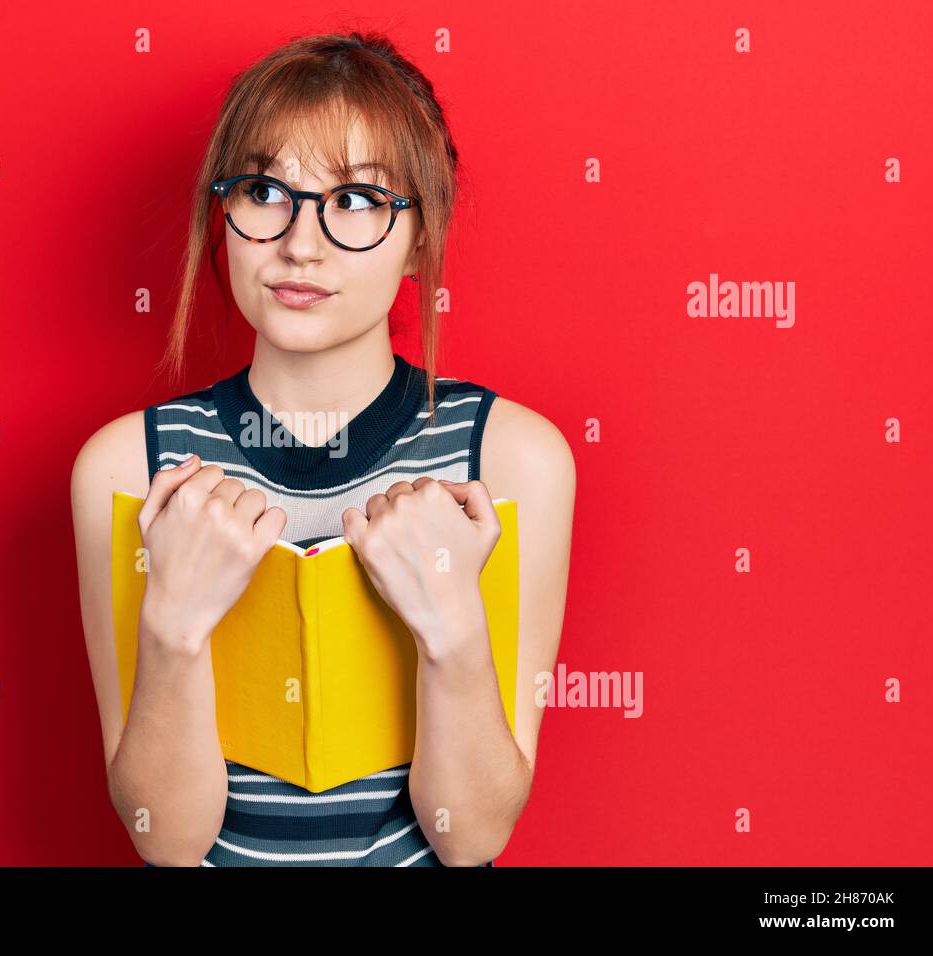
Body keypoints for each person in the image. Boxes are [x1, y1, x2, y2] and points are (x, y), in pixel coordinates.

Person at [71, 31, 574, 866]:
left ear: (421, 236)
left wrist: (451, 627)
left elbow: (473, 836)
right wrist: (173, 626)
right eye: (266, 191)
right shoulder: (130, 469)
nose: (300, 244)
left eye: (355, 201)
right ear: (223, 214)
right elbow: (166, 839)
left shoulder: (511, 461)